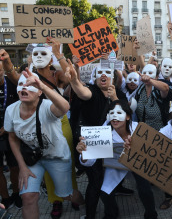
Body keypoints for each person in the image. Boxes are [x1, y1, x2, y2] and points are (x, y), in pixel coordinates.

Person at [4, 70, 84, 219]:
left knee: (67, 195)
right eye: (21, 85)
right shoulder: (11, 110)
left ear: (39, 92)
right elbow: (13, 138)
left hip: (57, 157)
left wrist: (42, 85)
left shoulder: (48, 107)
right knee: (28, 197)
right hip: (33, 159)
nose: (24, 88)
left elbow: (65, 107)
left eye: (30, 85)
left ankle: (84, 202)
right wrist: (22, 167)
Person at [65, 53, 126, 219]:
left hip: (114, 146)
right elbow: (81, 91)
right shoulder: (92, 91)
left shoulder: (119, 95)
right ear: (95, 78)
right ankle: (90, 215)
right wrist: (73, 79)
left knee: (109, 181)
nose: (103, 75)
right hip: (93, 143)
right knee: (96, 181)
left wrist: (114, 97)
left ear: (113, 77)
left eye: (106, 73)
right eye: (99, 73)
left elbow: (125, 116)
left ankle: (111, 214)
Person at [30, 38, 83, 219]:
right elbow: (13, 77)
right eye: (35, 53)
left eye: (43, 53)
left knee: (68, 161)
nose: (39, 57)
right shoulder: (28, 74)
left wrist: (59, 54)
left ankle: (71, 193)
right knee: (47, 163)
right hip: (39, 125)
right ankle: (56, 201)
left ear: (50, 57)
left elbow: (71, 77)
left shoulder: (57, 75)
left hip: (60, 122)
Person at [77, 100, 158, 219]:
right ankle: (111, 213)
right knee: (105, 192)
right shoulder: (101, 133)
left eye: (119, 113)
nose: (115, 117)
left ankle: (151, 214)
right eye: (111, 113)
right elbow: (90, 161)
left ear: (128, 116)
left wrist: (135, 146)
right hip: (116, 165)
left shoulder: (139, 130)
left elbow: (152, 151)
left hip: (136, 164)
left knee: (145, 189)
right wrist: (84, 154)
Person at [134, 64, 172, 209]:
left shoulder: (159, 88)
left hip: (161, 130)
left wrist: (151, 82)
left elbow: (166, 89)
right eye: (144, 73)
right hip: (145, 132)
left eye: (150, 73)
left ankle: (169, 195)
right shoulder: (139, 90)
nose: (146, 75)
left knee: (163, 164)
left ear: (156, 76)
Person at [0, 60, 21, 209]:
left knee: (15, 167)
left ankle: (16, 193)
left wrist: (8, 127)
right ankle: (5, 197)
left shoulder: (12, 83)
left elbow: (24, 105)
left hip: (12, 131)